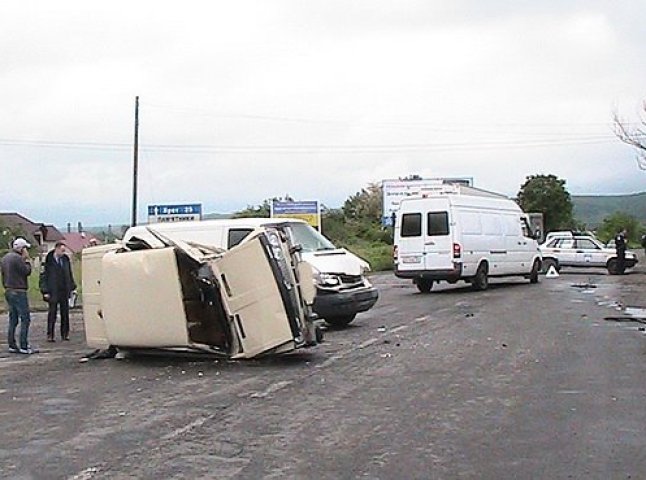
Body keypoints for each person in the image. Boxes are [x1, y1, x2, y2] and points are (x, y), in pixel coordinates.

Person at [1, 237, 37, 354]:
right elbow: (26, 271)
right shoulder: (18, 259)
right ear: (21, 249)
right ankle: (24, 345)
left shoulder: (5, 258)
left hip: (8, 289)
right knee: (25, 318)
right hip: (19, 290)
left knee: (13, 319)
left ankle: (12, 344)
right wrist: (26, 260)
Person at [40, 241, 76, 342]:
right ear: (56, 249)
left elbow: (69, 274)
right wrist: (45, 291)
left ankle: (65, 334)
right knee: (52, 313)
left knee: (65, 313)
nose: (63, 252)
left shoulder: (65, 259)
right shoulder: (48, 260)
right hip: (53, 290)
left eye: (64, 251)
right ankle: (50, 334)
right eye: (62, 250)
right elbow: (43, 277)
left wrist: (72, 287)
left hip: (64, 290)